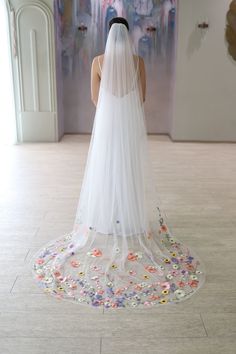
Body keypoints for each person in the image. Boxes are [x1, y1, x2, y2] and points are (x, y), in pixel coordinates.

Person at [30, 17, 205, 309]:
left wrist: (111, 109)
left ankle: (104, 217)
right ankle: (129, 215)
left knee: (105, 167)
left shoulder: (98, 61)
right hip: (128, 122)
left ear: (109, 34)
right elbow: (143, 97)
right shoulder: (138, 62)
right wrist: (125, 110)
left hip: (108, 124)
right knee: (128, 166)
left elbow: (94, 98)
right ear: (128, 36)